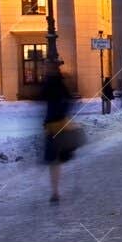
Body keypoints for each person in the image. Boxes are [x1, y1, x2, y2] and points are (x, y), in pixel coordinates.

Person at [40, 65, 76, 205]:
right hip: (62, 126)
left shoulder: (48, 86)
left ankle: (55, 191)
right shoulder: (61, 86)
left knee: (53, 162)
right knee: (58, 160)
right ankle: (55, 190)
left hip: (51, 127)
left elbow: (41, 98)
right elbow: (70, 101)